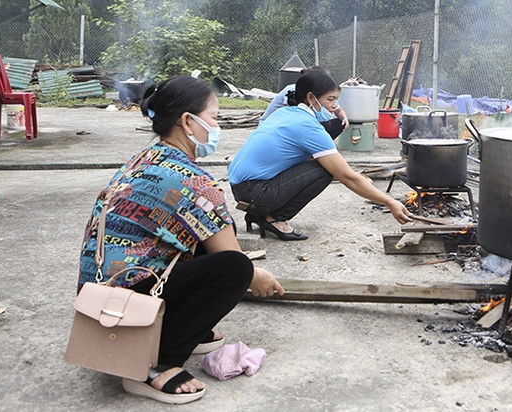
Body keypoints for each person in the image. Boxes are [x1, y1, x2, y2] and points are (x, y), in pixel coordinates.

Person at [76, 75, 284, 404]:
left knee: (205, 235)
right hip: (123, 306)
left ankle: (178, 328)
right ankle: (155, 364)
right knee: (235, 268)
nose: (217, 127)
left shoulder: (145, 157)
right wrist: (258, 277)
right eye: (214, 117)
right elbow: (231, 256)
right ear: (188, 122)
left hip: (100, 293)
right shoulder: (194, 182)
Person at [229, 68, 412, 240]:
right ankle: (274, 218)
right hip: (255, 192)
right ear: (311, 97)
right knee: (325, 170)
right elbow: (348, 177)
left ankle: (257, 214)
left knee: (316, 162)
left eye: (336, 100)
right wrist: (390, 202)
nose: (334, 106)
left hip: (241, 188)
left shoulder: (285, 113)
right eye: (330, 99)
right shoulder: (308, 127)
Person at [260, 66, 349, 139]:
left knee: (337, 124)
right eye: (330, 99)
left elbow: (338, 109)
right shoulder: (293, 93)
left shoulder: (322, 95)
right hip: (276, 131)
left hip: (289, 128)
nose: (334, 104)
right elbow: (297, 122)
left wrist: (344, 118)